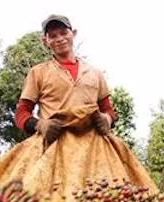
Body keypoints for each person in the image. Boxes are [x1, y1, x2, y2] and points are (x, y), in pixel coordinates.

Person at [15, 14, 117, 144]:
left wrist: (107, 119)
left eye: (64, 33)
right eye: (52, 36)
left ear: (73, 34)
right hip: (54, 145)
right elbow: (21, 113)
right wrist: (40, 125)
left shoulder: (94, 73)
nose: (59, 39)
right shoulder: (38, 72)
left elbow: (108, 109)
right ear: (45, 41)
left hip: (94, 146)